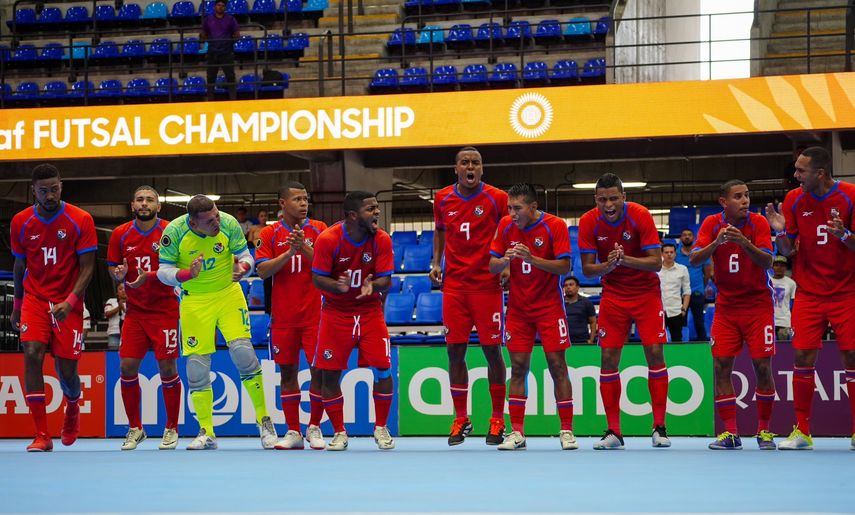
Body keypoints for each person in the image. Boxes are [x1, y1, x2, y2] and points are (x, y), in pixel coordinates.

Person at [157, 195, 276, 450]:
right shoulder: (174, 232)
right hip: (195, 301)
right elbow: (163, 272)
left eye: (217, 215)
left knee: (244, 353)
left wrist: (244, 266)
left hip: (228, 294)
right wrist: (188, 273)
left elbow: (246, 254)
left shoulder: (229, 223)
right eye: (210, 220)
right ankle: (207, 432)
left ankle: (264, 421)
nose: (217, 222)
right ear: (193, 222)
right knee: (197, 366)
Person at [765, 146, 855, 450]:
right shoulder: (793, 199)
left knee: (852, 358)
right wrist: (780, 233)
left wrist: (844, 235)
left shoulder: (850, 195)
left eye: (801, 170)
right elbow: (788, 251)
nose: (795, 175)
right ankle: (802, 432)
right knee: (802, 357)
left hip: (847, 292)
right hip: (809, 293)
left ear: (820, 173)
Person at [578, 173, 669, 450]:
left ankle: (659, 427)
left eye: (614, 198)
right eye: (603, 199)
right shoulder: (587, 221)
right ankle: (614, 432)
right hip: (614, 295)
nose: (609, 204)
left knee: (654, 352)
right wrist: (608, 266)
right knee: (608, 358)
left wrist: (622, 259)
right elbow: (587, 269)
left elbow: (655, 263)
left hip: (646, 294)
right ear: (596, 200)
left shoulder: (640, 215)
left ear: (624, 197)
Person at [10, 164, 97, 452]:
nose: (50, 195)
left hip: (68, 301)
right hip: (35, 299)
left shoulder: (80, 219)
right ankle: (42, 435)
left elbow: (88, 268)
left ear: (62, 186)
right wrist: (17, 306)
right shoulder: (20, 222)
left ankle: (72, 406)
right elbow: (19, 265)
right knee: (32, 354)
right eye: (44, 190)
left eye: (55, 189)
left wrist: (70, 301)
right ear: (33, 189)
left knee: (67, 372)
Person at [488, 183, 576, 451]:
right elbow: (492, 265)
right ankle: (517, 432)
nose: (512, 213)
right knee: (518, 369)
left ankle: (567, 431)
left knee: (557, 366)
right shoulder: (505, 225)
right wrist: (505, 260)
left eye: (517, 208)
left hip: (550, 308)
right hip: (518, 310)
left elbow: (565, 266)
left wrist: (533, 258)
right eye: (509, 208)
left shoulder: (555, 225)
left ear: (533, 207)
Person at [431, 146, 508, 447]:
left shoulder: (497, 197)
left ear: (482, 168)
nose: (470, 166)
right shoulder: (441, 198)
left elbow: (509, 232)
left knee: (492, 352)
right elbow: (439, 231)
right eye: (465, 162)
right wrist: (436, 262)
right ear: (456, 168)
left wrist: (507, 266)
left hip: (487, 286)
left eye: (475, 162)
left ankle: (497, 419)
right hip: (455, 287)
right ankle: (461, 418)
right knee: (454, 352)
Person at [692, 180, 776, 450]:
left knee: (762, 366)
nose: (745, 201)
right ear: (723, 202)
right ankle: (730, 433)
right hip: (726, 308)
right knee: (721, 367)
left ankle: (764, 431)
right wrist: (717, 243)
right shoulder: (711, 224)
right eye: (738, 196)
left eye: (747, 196)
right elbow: (694, 259)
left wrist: (745, 243)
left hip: (758, 305)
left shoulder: (759, 224)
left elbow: (768, 261)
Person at [311, 191, 395, 451]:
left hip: (370, 311)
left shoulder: (381, 239)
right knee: (329, 375)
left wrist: (374, 284)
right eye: (370, 209)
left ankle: (381, 427)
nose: (377, 213)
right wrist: (337, 286)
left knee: (383, 368)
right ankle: (339, 431)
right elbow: (317, 278)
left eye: (377, 208)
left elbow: (386, 279)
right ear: (352, 215)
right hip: (336, 312)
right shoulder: (329, 240)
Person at [107, 186, 182, 451]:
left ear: (159, 206)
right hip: (135, 313)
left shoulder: (170, 231)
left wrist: (151, 277)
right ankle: (135, 428)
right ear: (132, 205)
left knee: (168, 369)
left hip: (165, 311)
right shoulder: (120, 234)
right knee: (127, 367)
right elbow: (114, 271)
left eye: (150, 199)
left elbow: (179, 268)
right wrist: (118, 275)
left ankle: (171, 428)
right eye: (139, 199)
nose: (144, 203)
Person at [255, 182, 328, 450]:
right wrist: (290, 252)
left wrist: (305, 248)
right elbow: (262, 271)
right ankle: (294, 431)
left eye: (306, 199)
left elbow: (326, 264)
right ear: (282, 204)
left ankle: (315, 427)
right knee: (288, 373)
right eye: (297, 199)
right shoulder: (269, 232)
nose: (303, 203)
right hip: (283, 318)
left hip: (315, 317)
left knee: (319, 372)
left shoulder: (319, 229)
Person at [675, 228, 712, 341]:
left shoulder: (700, 253)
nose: (687, 237)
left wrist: (701, 287)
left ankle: (703, 347)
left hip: (697, 291)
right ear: (680, 238)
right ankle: (680, 348)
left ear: (693, 238)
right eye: (684, 235)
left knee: (699, 322)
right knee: (681, 323)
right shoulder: (676, 254)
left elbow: (707, 274)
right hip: (680, 294)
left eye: (689, 235)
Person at [200, 0, 240, 101]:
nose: (220, 7)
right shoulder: (208, 19)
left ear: (225, 7)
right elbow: (203, 33)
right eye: (218, 5)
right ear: (215, 7)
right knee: (211, 77)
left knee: (230, 76)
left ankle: (233, 99)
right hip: (212, 53)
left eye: (222, 5)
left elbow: (237, 34)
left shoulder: (231, 19)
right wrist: (204, 37)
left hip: (226, 52)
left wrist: (230, 42)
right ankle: (210, 100)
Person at [658, 242, 690, 342]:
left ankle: (677, 358)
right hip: (659, 311)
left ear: (675, 254)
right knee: (658, 340)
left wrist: (684, 309)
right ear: (662, 254)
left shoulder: (683, 269)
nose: (669, 254)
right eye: (666, 252)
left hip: (676, 310)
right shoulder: (655, 270)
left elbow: (687, 291)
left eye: (671, 252)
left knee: (677, 339)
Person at [563, 277, 596, 345]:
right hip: (563, 341)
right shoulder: (559, 303)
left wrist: (591, 340)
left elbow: (593, 322)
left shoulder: (586, 302)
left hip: (582, 341)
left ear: (577, 287)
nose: (568, 287)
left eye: (571, 285)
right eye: (566, 285)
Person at [770, 255, 796, 342]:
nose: (779, 268)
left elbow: (794, 305)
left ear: (785, 267)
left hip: (785, 322)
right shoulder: (768, 281)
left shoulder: (791, 283)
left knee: (785, 350)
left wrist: (793, 323)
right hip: (769, 320)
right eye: (776, 265)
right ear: (772, 266)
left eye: (782, 265)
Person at [103, 283, 126, 349]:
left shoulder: (132, 301)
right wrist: (119, 307)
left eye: (125, 288)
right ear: (117, 292)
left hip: (129, 333)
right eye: (120, 289)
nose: (123, 290)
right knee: (113, 356)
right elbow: (107, 314)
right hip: (114, 332)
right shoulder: (111, 301)